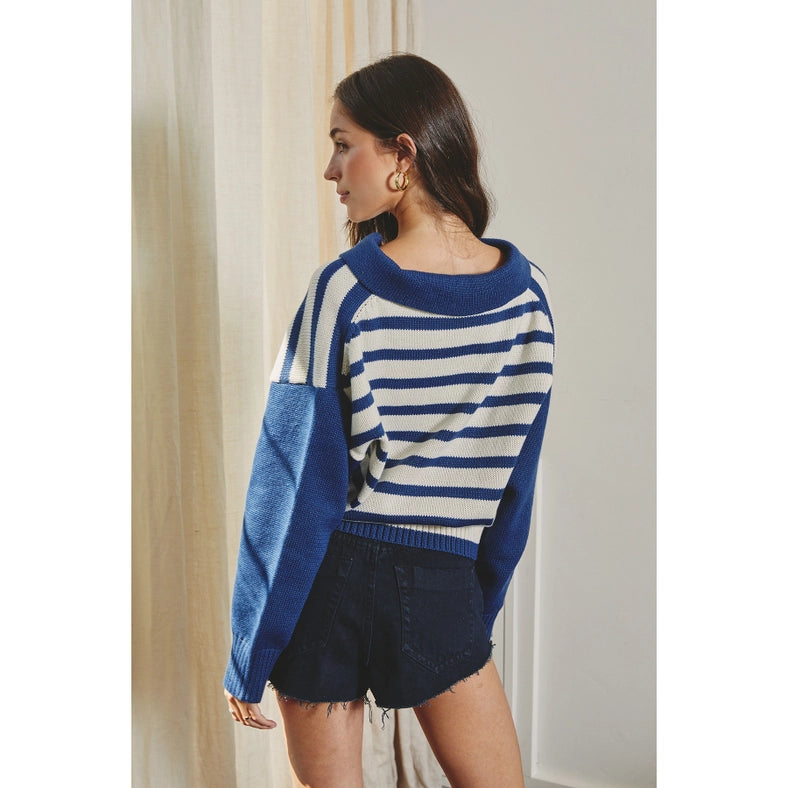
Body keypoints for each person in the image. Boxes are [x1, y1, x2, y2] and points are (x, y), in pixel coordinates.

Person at [223, 53, 554, 788]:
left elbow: (291, 485)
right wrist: (470, 614)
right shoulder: (529, 297)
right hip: (441, 578)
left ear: (402, 153)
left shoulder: (344, 290)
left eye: (343, 145)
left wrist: (251, 645)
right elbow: (514, 488)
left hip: (329, 581)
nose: (330, 170)